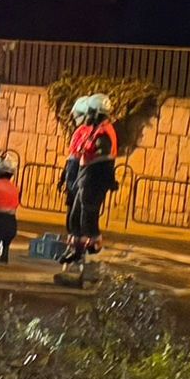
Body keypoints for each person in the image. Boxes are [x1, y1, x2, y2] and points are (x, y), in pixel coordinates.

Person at [61, 94, 118, 263]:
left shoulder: (103, 132)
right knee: (76, 216)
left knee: (88, 216)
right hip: (86, 175)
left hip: (94, 177)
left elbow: (101, 153)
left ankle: (93, 252)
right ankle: (77, 251)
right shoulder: (95, 129)